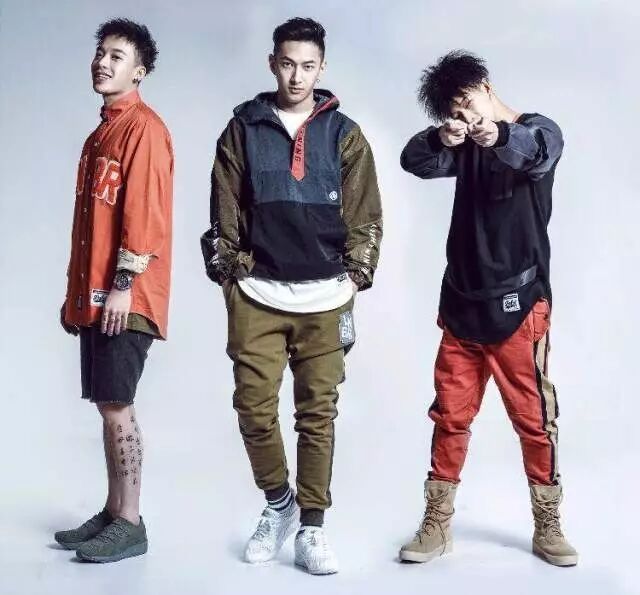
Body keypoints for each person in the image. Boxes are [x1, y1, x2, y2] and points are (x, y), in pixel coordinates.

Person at [201, 17, 382, 575]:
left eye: (307, 66)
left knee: (317, 416)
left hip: (325, 299)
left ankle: (312, 527)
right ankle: (279, 504)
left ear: (321, 67)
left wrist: (355, 277)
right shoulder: (243, 129)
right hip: (257, 294)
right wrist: (231, 275)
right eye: (287, 64)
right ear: (272, 63)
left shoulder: (345, 133)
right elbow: (223, 208)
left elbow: (366, 216)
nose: (296, 76)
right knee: (253, 408)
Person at [398, 50, 577, 567]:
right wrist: (442, 137)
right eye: (455, 109)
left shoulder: (538, 130)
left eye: (467, 100)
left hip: (518, 308)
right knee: (450, 417)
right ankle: (437, 522)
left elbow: (536, 152)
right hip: (462, 307)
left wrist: (496, 135)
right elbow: (414, 161)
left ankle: (548, 522)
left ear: (486, 86)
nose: (466, 113)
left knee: (534, 420)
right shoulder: (461, 146)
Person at [54, 18, 173, 563]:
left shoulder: (143, 128)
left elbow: (145, 214)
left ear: (139, 71)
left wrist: (124, 284)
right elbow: (89, 228)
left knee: (118, 404)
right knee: (107, 403)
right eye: (100, 53)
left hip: (129, 296)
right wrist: (76, 295)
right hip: (99, 296)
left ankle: (130, 522)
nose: (102, 62)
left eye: (117, 56)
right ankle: (113, 510)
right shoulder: (98, 135)